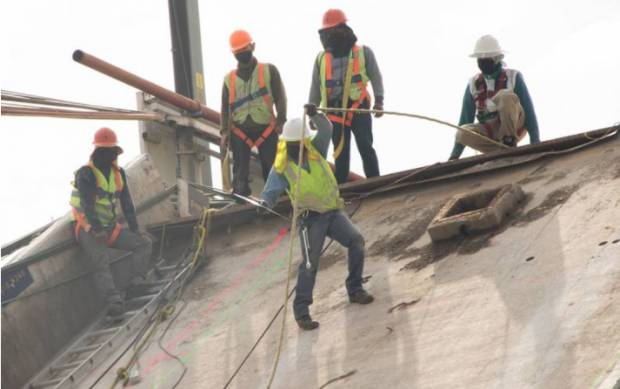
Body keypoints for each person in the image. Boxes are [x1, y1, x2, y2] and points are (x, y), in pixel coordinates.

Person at [260, 104, 374, 331]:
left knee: (356, 241)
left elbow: (327, 129)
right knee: (310, 264)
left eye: (300, 143)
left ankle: (355, 288)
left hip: (332, 212)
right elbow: (270, 192)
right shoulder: (281, 167)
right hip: (309, 219)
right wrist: (264, 204)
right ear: (286, 144)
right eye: (293, 145)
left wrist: (315, 114)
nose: (297, 148)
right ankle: (301, 312)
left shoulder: (316, 149)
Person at [70, 127, 152, 318]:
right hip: (88, 228)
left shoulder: (118, 174)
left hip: (110, 227)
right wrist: (97, 230)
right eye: (109, 152)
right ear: (99, 152)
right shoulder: (86, 173)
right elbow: (87, 205)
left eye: (114, 152)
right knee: (101, 262)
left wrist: (134, 229)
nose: (113, 156)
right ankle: (114, 302)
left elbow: (127, 203)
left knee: (144, 243)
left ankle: (135, 285)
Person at [309, 9, 384, 184]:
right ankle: (341, 188)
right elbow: (316, 87)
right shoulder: (321, 59)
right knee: (340, 152)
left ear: (344, 29)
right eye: (327, 32)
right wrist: (313, 114)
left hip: (359, 108)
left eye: (334, 31)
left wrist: (379, 101)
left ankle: (375, 182)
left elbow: (376, 77)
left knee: (365, 146)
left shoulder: (363, 52)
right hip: (334, 112)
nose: (330, 36)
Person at [449, 35, 540, 160]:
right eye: (480, 58)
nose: (483, 61)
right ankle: (500, 151)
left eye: (487, 58)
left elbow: (529, 110)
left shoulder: (514, 77)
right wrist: (454, 156)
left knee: (505, 96)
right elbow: (465, 119)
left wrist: (535, 142)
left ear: (497, 58)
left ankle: (508, 140)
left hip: (515, 125)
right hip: (490, 132)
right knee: (462, 132)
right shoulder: (473, 84)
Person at [221, 29, 287, 196]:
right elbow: (224, 107)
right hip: (240, 130)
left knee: (272, 168)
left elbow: (280, 97)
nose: (242, 54)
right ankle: (241, 201)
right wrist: (224, 131)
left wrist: (281, 121)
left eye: (244, 49)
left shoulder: (268, 70)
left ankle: (278, 201)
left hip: (267, 127)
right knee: (240, 173)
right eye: (238, 51)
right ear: (233, 54)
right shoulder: (229, 79)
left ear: (253, 46)